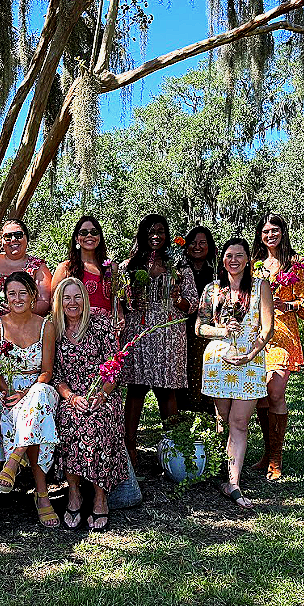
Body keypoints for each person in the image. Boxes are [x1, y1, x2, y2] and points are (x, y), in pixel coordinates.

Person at [197, 238, 274, 509]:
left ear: (248, 259)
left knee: (239, 422)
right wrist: (222, 331)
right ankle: (223, 472)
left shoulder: (260, 287)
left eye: (239, 255)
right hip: (218, 360)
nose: (233, 260)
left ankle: (235, 482)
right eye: (228, 255)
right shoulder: (212, 289)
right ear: (222, 259)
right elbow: (200, 327)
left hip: (249, 361)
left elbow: (267, 328)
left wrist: (251, 354)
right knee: (223, 419)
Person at [118, 214, 197, 471]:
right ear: (142, 234)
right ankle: (129, 448)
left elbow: (192, 303)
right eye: (150, 230)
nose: (156, 235)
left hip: (168, 332)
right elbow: (118, 300)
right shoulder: (130, 265)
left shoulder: (178, 265)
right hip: (138, 330)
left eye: (161, 230)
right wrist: (131, 301)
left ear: (167, 234)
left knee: (166, 390)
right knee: (136, 389)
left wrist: (177, 299)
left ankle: (175, 451)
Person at [52, 278, 131, 531]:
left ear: (84, 300)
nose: (72, 303)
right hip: (72, 397)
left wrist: (102, 395)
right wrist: (71, 397)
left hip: (102, 395)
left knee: (97, 421)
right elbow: (55, 375)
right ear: (59, 302)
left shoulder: (101, 326)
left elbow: (115, 368)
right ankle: (74, 493)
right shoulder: (54, 330)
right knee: (68, 420)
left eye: (77, 297)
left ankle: (100, 497)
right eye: (67, 298)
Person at [0, 272, 60, 528]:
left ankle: (14, 459)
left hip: (38, 388)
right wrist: (9, 391)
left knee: (38, 401)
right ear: (5, 296)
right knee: (38, 419)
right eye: (12, 293)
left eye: (22, 293)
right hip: (6, 391)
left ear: (32, 295)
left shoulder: (45, 325)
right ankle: (42, 496)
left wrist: (26, 393)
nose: (17, 298)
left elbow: (47, 372)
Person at [251, 213, 304, 480]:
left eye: (275, 230)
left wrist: (285, 304)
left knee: (275, 391)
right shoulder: (254, 265)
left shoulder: (296, 265)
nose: (270, 235)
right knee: (261, 395)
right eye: (265, 231)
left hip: (283, 333)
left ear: (283, 232)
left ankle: (277, 456)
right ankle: (267, 452)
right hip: (255, 334)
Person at [0, 218, 52, 328]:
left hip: (23, 332)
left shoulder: (38, 267)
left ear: (26, 238)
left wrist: (22, 309)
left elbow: (45, 303)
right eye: (7, 236)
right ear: (1, 241)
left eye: (18, 235)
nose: (13, 239)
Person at [177, 225, 218, 415]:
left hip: (210, 329)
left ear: (210, 246)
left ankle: (208, 413)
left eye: (202, 243)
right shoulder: (177, 270)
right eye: (193, 242)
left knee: (206, 370)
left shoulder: (218, 271)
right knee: (185, 372)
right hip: (182, 328)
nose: (197, 247)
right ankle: (185, 414)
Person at [51, 215, 118, 320]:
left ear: (99, 237)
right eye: (84, 233)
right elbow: (54, 302)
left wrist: (120, 316)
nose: (89, 235)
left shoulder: (111, 267)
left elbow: (116, 300)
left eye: (94, 232)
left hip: (107, 330)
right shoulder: (65, 268)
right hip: (76, 329)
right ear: (77, 238)